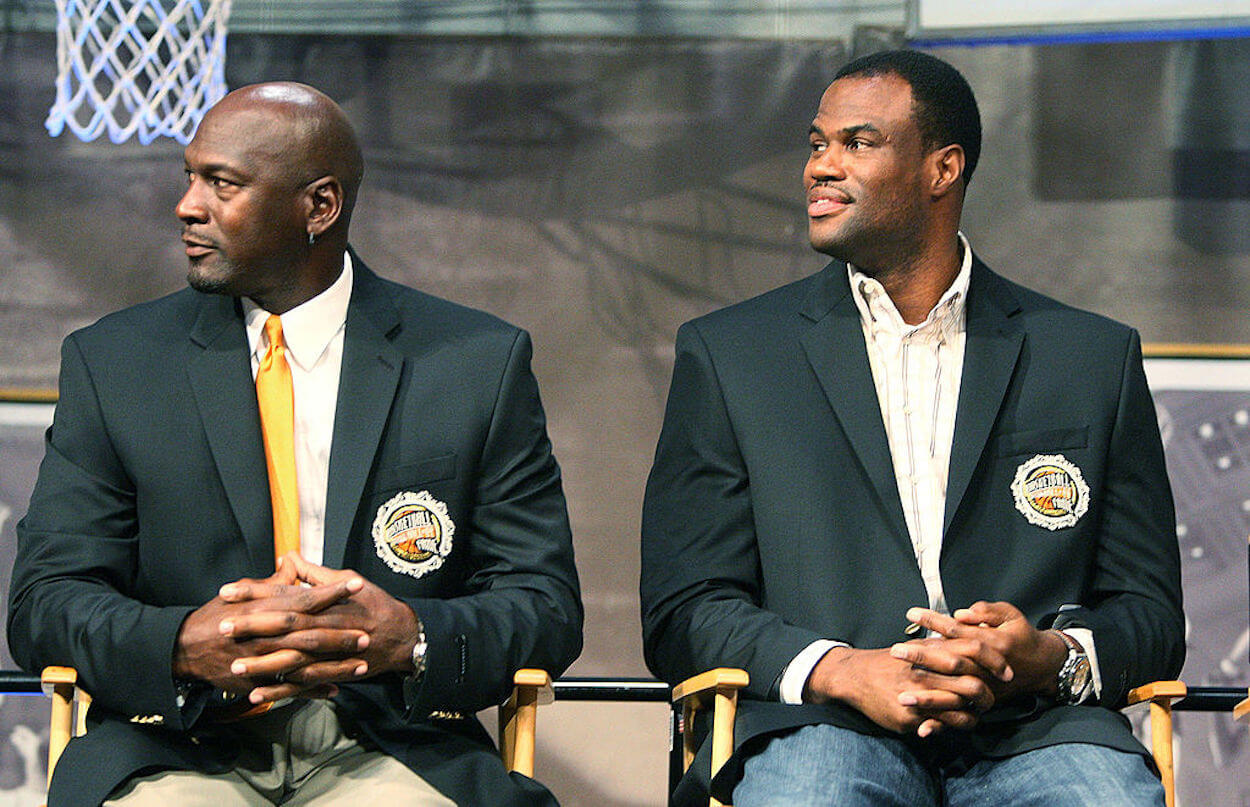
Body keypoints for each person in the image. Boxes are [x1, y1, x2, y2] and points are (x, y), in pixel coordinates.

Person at [8, 82, 582, 807]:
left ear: (320, 207)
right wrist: (181, 642)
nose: (187, 205)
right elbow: (44, 599)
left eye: (223, 183)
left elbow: (546, 605)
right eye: (190, 177)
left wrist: (411, 634)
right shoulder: (113, 362)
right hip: (179, 742)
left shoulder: (475, 362)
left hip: (391, 741)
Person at [640, 49, 1183, 806]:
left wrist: (1047, 656)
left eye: (858, 142)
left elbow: (1149, 612)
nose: (819, 167)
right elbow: (685, 605)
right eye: (816, 143)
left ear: (942, 168)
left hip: (1033, 730)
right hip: (823, 723)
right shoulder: (733, 354)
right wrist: (842, 668)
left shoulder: (1089, 355)